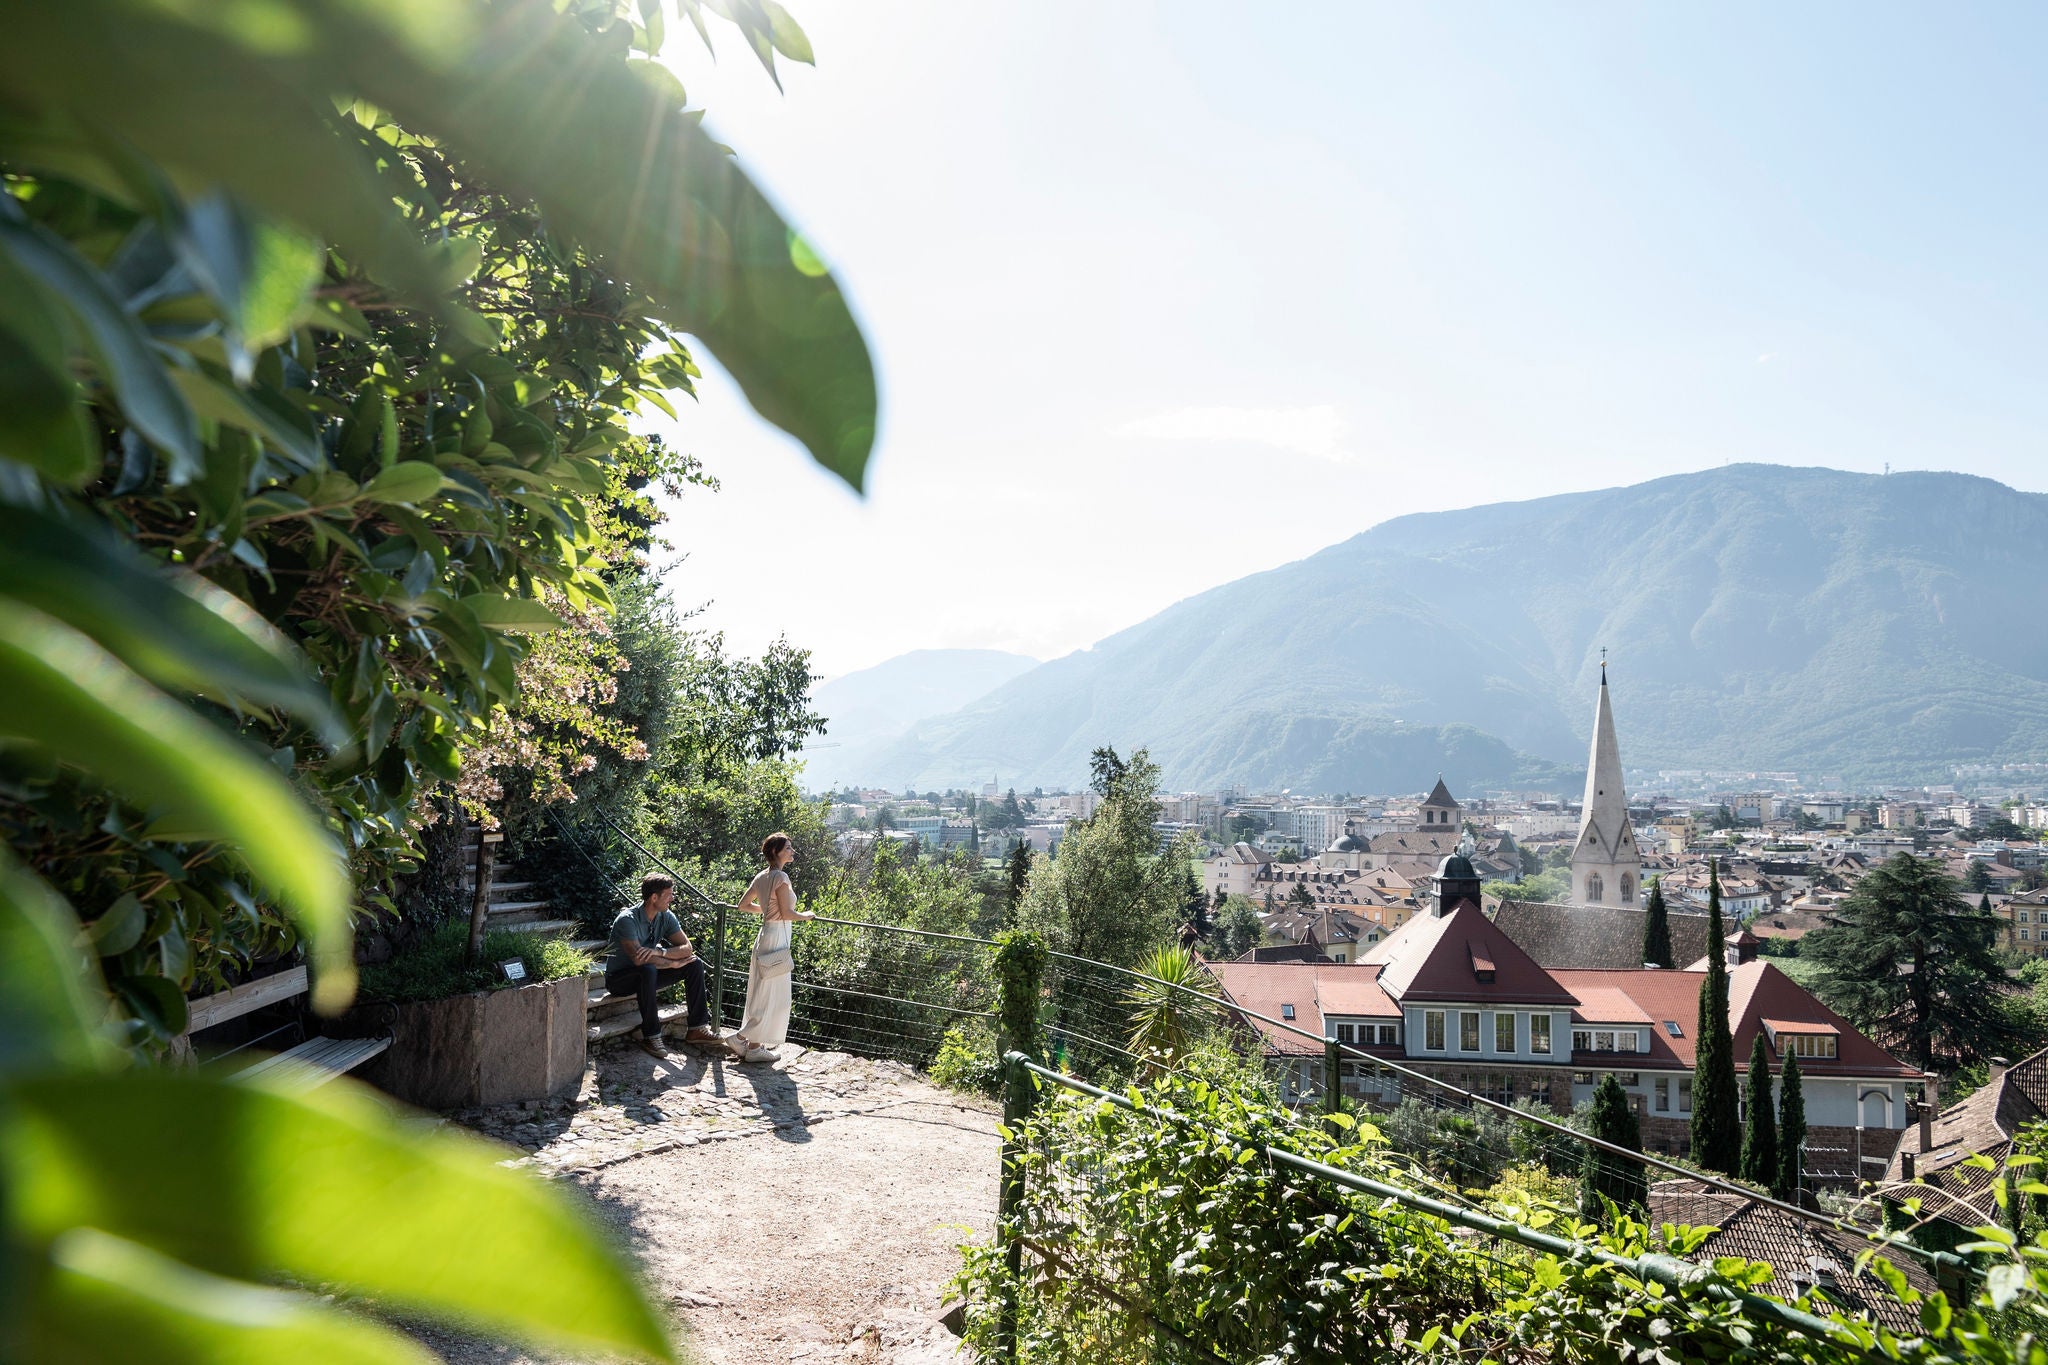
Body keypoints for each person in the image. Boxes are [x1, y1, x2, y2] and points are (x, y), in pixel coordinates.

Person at [605, 874, 718, 1058]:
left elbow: (687, 948)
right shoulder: (627, 920)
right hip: (619, 980)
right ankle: (651, 1035)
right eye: (669, 895)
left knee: (694, 964)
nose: (673, 898)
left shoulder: (665, 916)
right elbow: (639, 960)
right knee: (647, 969)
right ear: (654, 897)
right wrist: (672, 963)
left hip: (650, 973)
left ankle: (697, 1028)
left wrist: (661, 953)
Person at [727, 832, 813, 1063]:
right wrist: (806, 916)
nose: (792, 851)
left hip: (764, 935)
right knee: (772, 993)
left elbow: (743, 905)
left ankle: (754, 1046)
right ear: (776, 852)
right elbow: (787, 913)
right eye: (788, 848)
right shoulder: (781, 877)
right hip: (776, 937)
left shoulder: (761, 877)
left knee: (763, 990)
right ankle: (742, 1038)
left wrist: (765, 911)